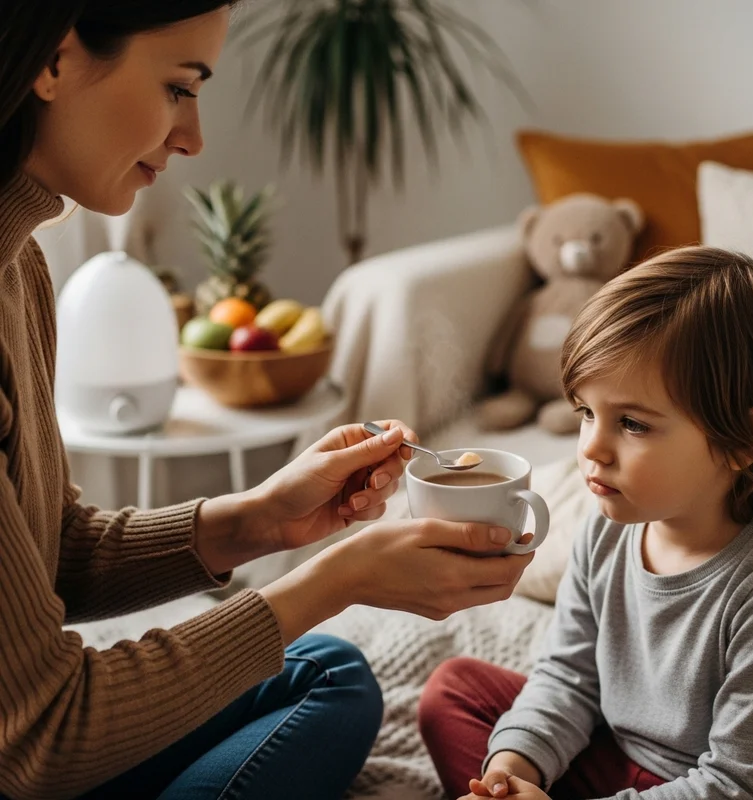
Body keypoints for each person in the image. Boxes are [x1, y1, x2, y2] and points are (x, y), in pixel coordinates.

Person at [0, 3, 535, 799]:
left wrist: (263, 520)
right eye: (179, 88)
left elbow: (53, 554)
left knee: (330, 673)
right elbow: (39, 737)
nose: (194, 138)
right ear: (54, 60)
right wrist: (337, 579)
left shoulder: (19, 266)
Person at [418, 246, 753, 800]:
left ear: (743, 440)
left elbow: (739, 784)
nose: (592, 448)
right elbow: (567, 677)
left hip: (707, 787)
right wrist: (511, 770)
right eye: (586, 413)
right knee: (453, 691)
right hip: (616, 755)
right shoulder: (604, 530)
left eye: (632, 424)